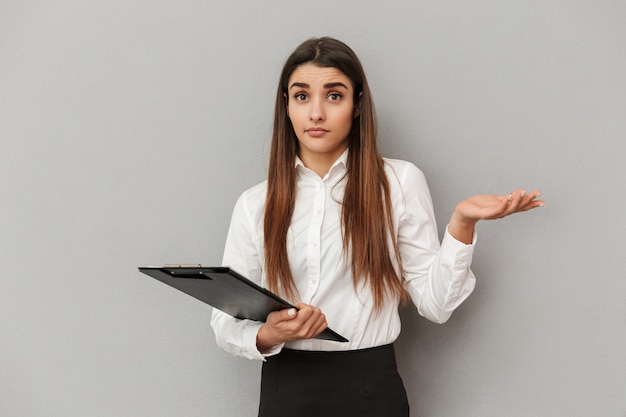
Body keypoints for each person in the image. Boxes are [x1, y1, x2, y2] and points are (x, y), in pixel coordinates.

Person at [210, 37, 544, 417]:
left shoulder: (399, 183)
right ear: (286, 106)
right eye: (302, 96)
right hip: (283, 389)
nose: (316, 113)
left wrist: (462, 224)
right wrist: (269, 334)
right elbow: (224, 322)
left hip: (370, 388)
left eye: (333, 96)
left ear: (357, 105)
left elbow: (436, 306)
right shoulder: (256, 203)